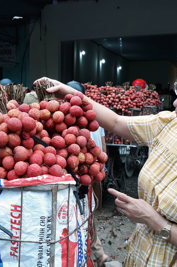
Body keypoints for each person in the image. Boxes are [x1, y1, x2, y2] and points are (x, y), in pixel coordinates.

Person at [34, 49, 177, 266]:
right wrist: (71, 93)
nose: (176, 103)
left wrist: (155, 222)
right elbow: (116, 122)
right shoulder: (170, 126)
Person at [66, 80, 114, 267]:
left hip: (81, 173)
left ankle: (93, 254)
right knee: (87, 212)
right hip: (89, 172)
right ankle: (96, 254)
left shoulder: (71, 119)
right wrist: (102, 166)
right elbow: (103, 149)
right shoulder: (94, 120)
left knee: (83, 213)